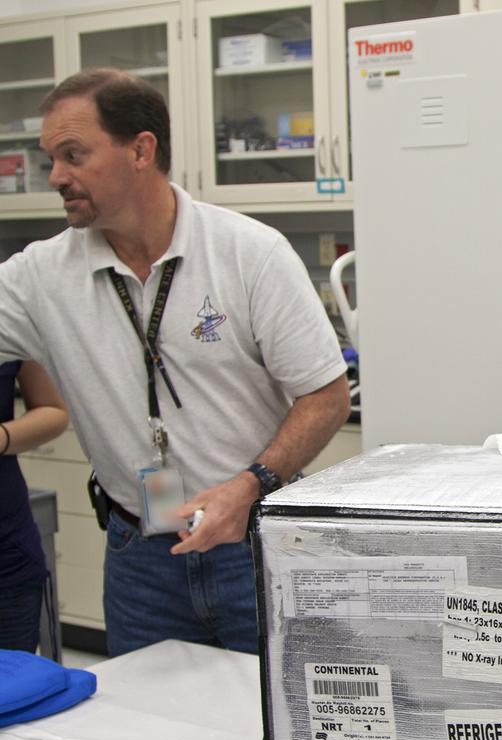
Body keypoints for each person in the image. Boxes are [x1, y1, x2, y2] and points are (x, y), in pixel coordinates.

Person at [0, 69, 349, 656]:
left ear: (141, 149)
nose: (56, 176)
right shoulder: (39, 277)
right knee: (152, 737)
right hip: (140, 561)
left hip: (256, 545)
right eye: (51, 158)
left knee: (278, 734)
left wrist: (248, 486)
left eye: (73, 155)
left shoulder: (248, 253)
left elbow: (327, 395)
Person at [0, 361, 69, 653]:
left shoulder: (11, 316)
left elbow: (53, 410)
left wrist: (3, 437)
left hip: (7, 559)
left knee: (14, 693)